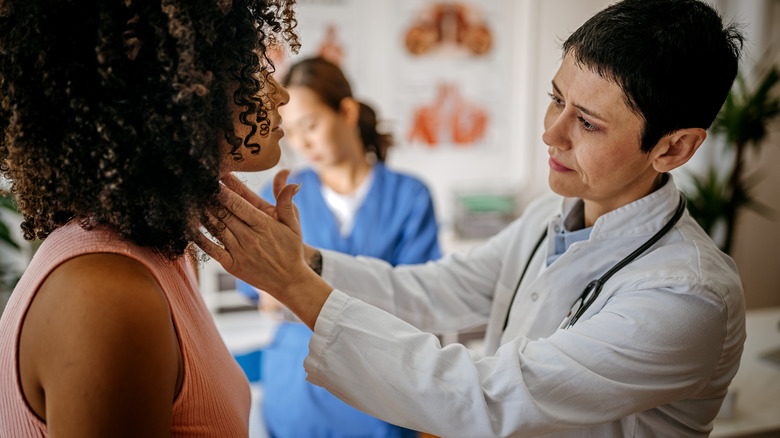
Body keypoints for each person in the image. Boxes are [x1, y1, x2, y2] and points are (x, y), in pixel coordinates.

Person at [197, 0, 746, 436]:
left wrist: (294, 284)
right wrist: (306, 261)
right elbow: (430, 291)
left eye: (588, 124)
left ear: (673, 150)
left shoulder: (686, 296)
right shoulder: (546, 219)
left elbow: (488, 397)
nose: (550, 134)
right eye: (556, 100)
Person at [0, 1, 298, 436]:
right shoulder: (106, 294)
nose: (280, 93)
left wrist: (295, 274)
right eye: (253, 69)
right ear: (176, 93)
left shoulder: (158, 252)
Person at [237, 57, 441, 438]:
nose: (301, 144)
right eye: (290, 131)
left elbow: (420, 299)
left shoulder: (409, 195)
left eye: (310, 125)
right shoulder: (281, 194)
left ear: (346, 112)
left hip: (381, 385)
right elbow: (261, 293)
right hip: (298, 386)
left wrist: (300, 288)